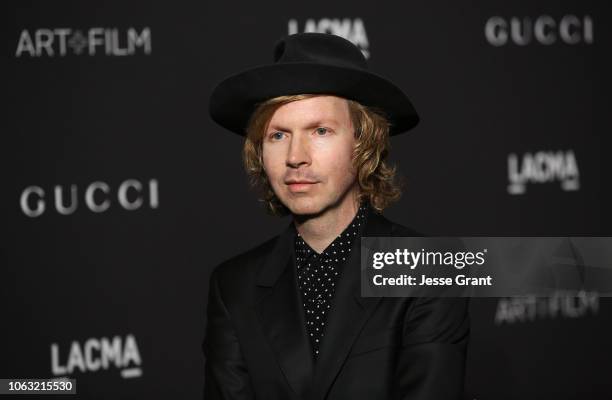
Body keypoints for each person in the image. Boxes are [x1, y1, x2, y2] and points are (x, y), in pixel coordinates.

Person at [204, 32, 469, 400]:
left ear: (364, 144)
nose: (296, 156)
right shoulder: (233, 285)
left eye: (321, 131)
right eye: (278, 135)